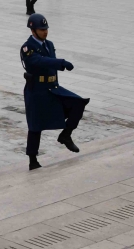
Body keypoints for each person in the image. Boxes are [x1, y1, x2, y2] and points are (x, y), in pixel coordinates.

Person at [21, 13, 88, 170]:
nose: (45, 32)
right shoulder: (27, 47)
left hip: (52, 89)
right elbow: (38, 61)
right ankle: (32, 159)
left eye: (46, 29)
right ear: (33, 30)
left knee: (78, 103)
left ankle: (66, 135)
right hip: (36, 91)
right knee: (35, 126)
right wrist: (61, 63)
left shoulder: (49, 45)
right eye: (41, 29)